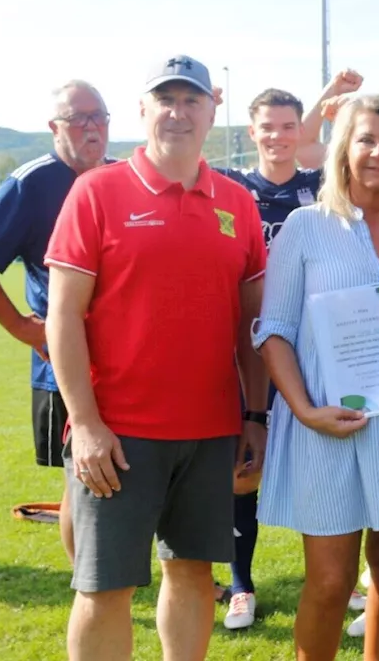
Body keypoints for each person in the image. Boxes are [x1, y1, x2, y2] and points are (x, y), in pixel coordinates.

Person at [45, 54, 269, 661]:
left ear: (211, 109)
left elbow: (250, 322)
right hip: (119, 433)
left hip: (211, 429)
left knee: (194, 575)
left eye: (191, 99)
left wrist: (255, 417)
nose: (178, 112)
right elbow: (62, 316)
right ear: (143, 110)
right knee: (104, 588)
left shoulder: (237, 201)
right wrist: (86, 424)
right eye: (164, 99)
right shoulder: (98, 191)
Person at [253, 94, 379, 661]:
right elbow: (274, 331)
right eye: (367, 139)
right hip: (329, 423)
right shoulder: (306, 227)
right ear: (344, 148)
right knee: (330, 581)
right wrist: (304, 409)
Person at [0, 80, 113, 566]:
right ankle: (90, 586)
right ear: (54, 128)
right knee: (81, 480)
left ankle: (145, 577)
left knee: (132, 470)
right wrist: (21, 325)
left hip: (124, 360)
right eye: (78, 118)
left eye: (99, 116)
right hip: (62, 364)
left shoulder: (119, 177)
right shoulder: (32, 182)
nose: (91, 127)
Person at [212, 87, 324, 630]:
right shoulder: (230, 190)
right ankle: (241, 585)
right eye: (268, 127)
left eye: (289, 127)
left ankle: (330, 579)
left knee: (317, 462)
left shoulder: (321, 190)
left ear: (301, 131)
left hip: (311, 349)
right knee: (243, 466)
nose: (278, 137)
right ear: (250, 132)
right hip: (246, 349)